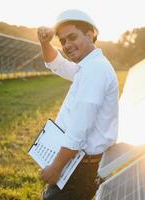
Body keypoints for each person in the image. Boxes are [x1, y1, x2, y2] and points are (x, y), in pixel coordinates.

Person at [37, 9, 118, 200]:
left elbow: (78, 131)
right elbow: (57, 64)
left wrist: (55, 168)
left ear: (91, 34)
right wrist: (45, 43)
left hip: (78, 169)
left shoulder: (95, 70)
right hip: (78, 164)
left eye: (72, 37)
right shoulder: (89, 65)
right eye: (63, 41)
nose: (66, 45)